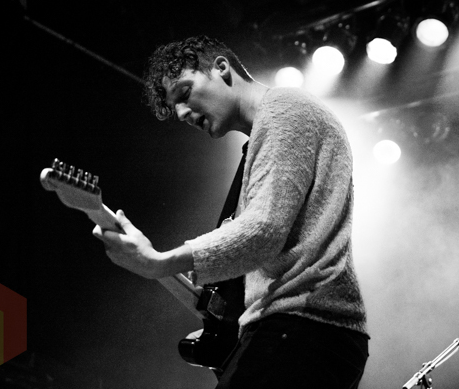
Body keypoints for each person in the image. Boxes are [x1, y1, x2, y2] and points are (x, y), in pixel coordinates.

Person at [92, 35, 369, 388]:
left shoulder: (285, 109)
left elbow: (264, 230)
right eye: (175, 108)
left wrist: (160, 262)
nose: (182, 113)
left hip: (302, 327)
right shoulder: (266, 134)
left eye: (184, 93)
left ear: (222, 68)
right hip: (315, 333)